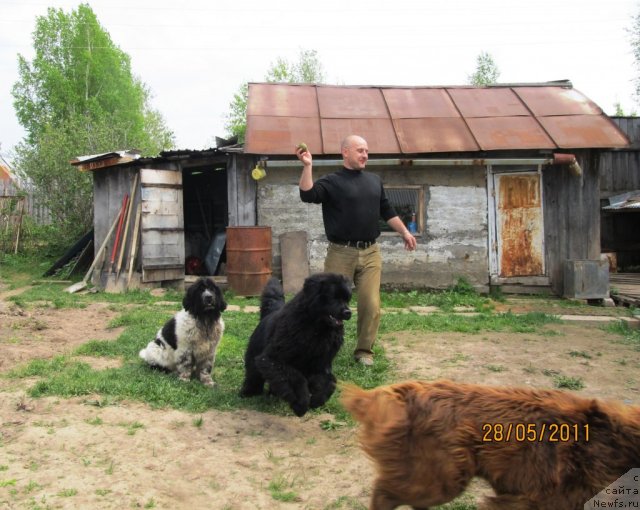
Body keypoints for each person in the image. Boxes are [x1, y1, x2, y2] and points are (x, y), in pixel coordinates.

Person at [296, 134, 417, 366]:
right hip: (341, 252)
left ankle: (364, 351)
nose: (365, 155)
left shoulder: (373, 181)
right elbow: (308, 194)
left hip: (371, 252)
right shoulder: (332, 182)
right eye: (360, 150)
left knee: (371, 304)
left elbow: (387, 210)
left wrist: (405, 232)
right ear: (346, 152)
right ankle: (321, 347)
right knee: (328, 303)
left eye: (367, 151)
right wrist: (308, 166)